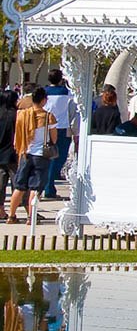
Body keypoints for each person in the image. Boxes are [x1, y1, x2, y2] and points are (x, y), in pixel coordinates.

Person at [10, 87, 56, 225]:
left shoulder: (22, 115)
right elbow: (53, 138)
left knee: (19, 186)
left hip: (25, 152)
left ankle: (11, 216)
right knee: (35, 188)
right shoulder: (48, 117)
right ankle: (31, 217)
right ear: (43, 100)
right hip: (40, 155)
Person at [41, 70, 76, 200]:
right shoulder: (68, 93)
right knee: (58, 158)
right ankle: (49, 187)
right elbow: (73, 110)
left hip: (45, 128)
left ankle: (46, 185)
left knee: (46, 158)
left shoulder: (43, 92)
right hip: (62, 127)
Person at [0, 91, 17, 221]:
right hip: (13, 153)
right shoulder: (16, 115)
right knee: (17, 185)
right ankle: (13, 212)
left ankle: (1, 210)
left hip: (1, 154)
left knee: (1, 185)